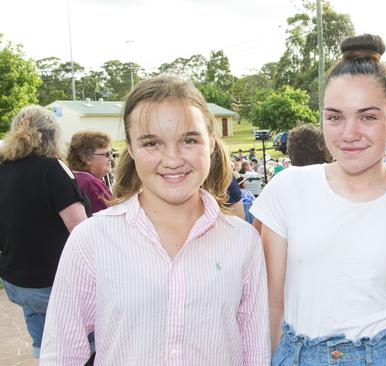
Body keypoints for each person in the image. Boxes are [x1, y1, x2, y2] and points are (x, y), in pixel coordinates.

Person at [40, 76, 270, 364]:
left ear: (211, 143)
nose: (172, 159)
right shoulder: (92, 239)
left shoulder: (243, 241)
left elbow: (255, 351)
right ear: (131, 148)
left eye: (188, 139)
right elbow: (62, 353)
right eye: (152, 143)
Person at [251, 34, 386, 365]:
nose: (349, 133)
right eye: (335, 117)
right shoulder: (287, 188)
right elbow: (270, 302)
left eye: (368, 117)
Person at [0, 105, 88, 360]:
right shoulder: (52, 168)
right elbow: (80, 230)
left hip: (17, 279)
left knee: (42, 343)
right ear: (53, 135)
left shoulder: (3, 168)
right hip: (53, 281)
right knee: (84, 345)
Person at [66, 130, 114, 214]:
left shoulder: (70, 175)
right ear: (86, 158)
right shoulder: (90, 183)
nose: (111, 158)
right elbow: (110, 218)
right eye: (106, 155)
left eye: (111, 153)